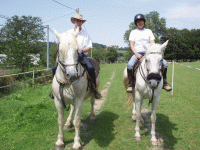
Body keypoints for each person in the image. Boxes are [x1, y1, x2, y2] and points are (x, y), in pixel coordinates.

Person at [50, 14, 101, 99]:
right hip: (69, 56)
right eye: (76, 20)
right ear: (74, 21)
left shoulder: (85, 34)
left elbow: (89, 46)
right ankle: (55, 90)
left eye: (80, 21)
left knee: (91, 68)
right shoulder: (68, 33)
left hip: (81, 55)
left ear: (82, 22)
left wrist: (82, 50)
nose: (78, 22)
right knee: (54, 68)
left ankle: (94, 89)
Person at [126, 14, 172, 93]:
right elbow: (132, 45)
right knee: (130, 65)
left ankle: (164, 83)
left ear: (144, 22)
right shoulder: (133, 32)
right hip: (138, 53)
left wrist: (153, 52)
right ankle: (131, 84)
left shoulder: (149, 31)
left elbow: (152, 43)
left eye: (141, 21)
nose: (140, 23)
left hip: (149, 53)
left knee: (164, 63)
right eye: (138, 22)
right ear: (136, 23)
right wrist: (136, 54)